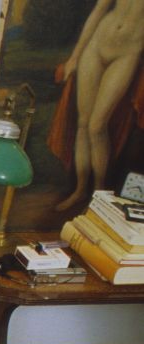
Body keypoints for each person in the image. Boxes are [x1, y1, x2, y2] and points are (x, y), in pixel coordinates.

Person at [52, 0, 144, 212]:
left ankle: (99, 193)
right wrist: (74, 57)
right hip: (96, 45)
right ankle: (80, 190)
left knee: (96, 126)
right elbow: (99, 10)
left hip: (127, 54)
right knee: (83, 124)